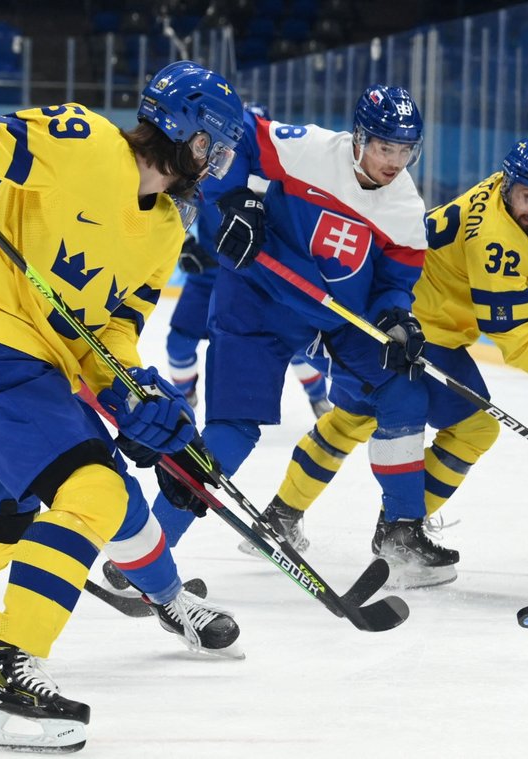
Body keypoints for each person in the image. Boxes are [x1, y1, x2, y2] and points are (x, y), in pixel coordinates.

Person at [0, 60, 245, 752]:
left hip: (12, 364)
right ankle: (7, 674)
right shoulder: (84, 140)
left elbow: (112, 331)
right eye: (218, 148)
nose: (218, 166)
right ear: (192, 138)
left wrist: (133, 391)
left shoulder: (165, 232)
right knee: (96, 488)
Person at [257, 140, 528, 566]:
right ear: (508, 186)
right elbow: (517, 340)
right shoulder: (494, 242)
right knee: (475, 430)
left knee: (351, 418)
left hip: (395, 315)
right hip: (416, 328)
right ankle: (400, 532)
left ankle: (280, 517)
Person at [150, 85, 457, 588]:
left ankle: (401, 533)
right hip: (257, 295)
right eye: (385, 147)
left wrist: (396, 319)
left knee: (403, 389)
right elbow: (236, 135)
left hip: (337, 315)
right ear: (359, 138)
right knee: (233, 429)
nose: (394, 162)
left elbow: (393, 285)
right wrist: (239, 200)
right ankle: (147, 550)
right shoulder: (308, 149)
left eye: (406, 151)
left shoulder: (404, 210)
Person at [0, 255, 242, 672]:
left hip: (26, 359)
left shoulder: (117, 235)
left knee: (103, 480)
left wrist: (137, 409)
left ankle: (168, 597)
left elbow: (97, 344)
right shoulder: (39, 232)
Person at [164, 100, 331, 418]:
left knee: (291, 343)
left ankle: (318, 398)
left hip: (258, 279)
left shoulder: (279, 179)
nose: (239, 148)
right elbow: (172, 204)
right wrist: (184, 245)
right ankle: (186, 401)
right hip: (209, 275)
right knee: (178, 343)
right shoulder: (202, 166)